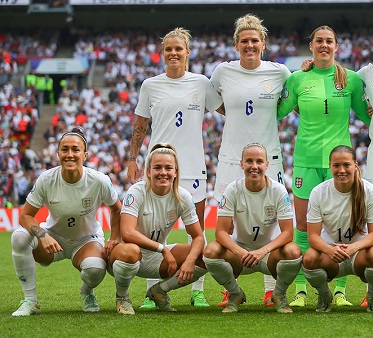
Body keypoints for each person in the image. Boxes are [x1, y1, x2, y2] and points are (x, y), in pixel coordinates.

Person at [127, 27, 222, 308]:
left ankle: (197, 291)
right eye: (168, 49)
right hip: (158, 167)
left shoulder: (202, 83)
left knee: (199, 231)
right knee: (152, 230)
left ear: (187, 53)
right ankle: (151, 290)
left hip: (192, 167)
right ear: (162, 53)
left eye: (178, 48)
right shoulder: (150, 85)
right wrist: (132, 159)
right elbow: (140, 127)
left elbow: (227, 109)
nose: (173, 53)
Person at [277, 25, 371, 307]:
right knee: (304, 226)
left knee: (344, 225)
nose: (324, 45)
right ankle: (302, 289)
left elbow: (368, 116)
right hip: (305, 160)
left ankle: (340, 289)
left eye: (329, 41)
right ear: (312, 45)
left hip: (340, 163)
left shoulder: (351, 79)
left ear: (336, 46)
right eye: (319, 41)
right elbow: (278, 110)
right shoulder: (297, 79)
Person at [210, 14, 290, 308]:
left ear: (263, 43)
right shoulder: (222, 72)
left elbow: (291, 98)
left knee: (272, 221)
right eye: (244, 41)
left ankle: (272, 290)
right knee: (225, 225)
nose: (250, 45)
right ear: (236, 45)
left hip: (269, 157)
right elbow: (213, 102)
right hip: (231, 158)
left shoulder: (280, 72)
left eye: (255, 40)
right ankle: (230, 289)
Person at [11, 128, 122, 316]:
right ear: (58, 153)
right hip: (53, 238)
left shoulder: (99, 180)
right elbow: (25, 216)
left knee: (95, 269)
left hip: (86, 240)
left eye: (75, 150)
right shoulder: (46, 179)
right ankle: (30, 301)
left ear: (85, 155)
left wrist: (115, 237)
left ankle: (87, 291)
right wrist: (43, 235)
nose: (70, 154)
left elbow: (117, 209)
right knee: (19, 237)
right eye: (65, 149)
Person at [110, 143, 208, 314]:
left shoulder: (182, 196)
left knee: (205, 255)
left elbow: (198, 237)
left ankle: (159, 291)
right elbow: (127, 233)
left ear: (175, 172)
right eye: (157, 168)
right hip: (127, 256)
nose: (163, 172)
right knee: (131, 251)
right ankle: (122, 297)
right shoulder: (137, 191)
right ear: (148, 172)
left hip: (157, 260)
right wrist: (162, 248)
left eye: (168, 168)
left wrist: (190, 261)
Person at [203, 143, 301, 313]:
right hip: (240, 255)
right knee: (210, 252)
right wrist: (241, 252)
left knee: (293, 252)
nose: (254, 166)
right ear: (241, 164)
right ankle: (234, 294)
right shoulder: (232, 190)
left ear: (266, 164)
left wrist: (262, 251)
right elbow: (220, 232)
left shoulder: (278, 191)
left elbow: (287, 233)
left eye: (259, 161)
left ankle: (279, 294)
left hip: (268, 254)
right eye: (249, 161)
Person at [301, 145, 373, 312]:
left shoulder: (369, 191)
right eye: (336, 165)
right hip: (331, 255)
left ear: (355, 165)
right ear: (330, 166)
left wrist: (354, 247)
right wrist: (329, 250)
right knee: (309, 257)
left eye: (346, 165)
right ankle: (324, 295)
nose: (342, 170)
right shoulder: (318, 192)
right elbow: (313, 236)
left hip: (360, 253)